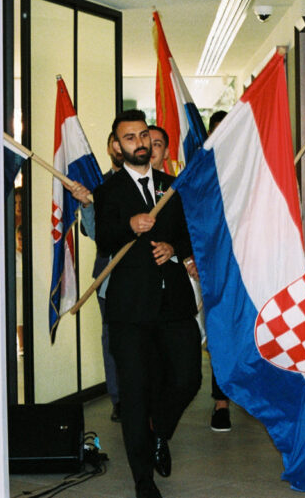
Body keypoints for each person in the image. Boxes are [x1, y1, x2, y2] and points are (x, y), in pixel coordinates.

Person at [94, 110, 201, 498]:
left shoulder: (173, 188)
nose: (139, 143)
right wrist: (129, 226)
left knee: (189, 378)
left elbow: (188, 236)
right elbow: (105, 239)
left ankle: (160, 432)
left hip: (173, 303)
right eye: (129, 138)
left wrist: (175, 248)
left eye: (143, 135)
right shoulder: (107, 191)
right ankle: (143, 480)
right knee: (135, 395)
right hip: (129, 313)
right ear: (117, 147)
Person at [76, 132, 125, 422]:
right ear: (109, 147)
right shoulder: (101, 186)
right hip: (109, 277)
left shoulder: (153, 183)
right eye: (116, 142)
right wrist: (86, 205)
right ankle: (119, 399)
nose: (121, 148)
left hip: (148, 276)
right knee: (113, 341)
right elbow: (94, 232)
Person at [205, 109, 232, 432]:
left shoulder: (252, 165)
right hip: (216, 263)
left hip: (251, 263)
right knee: (220, 331)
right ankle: (221, 402)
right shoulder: (205, 169)